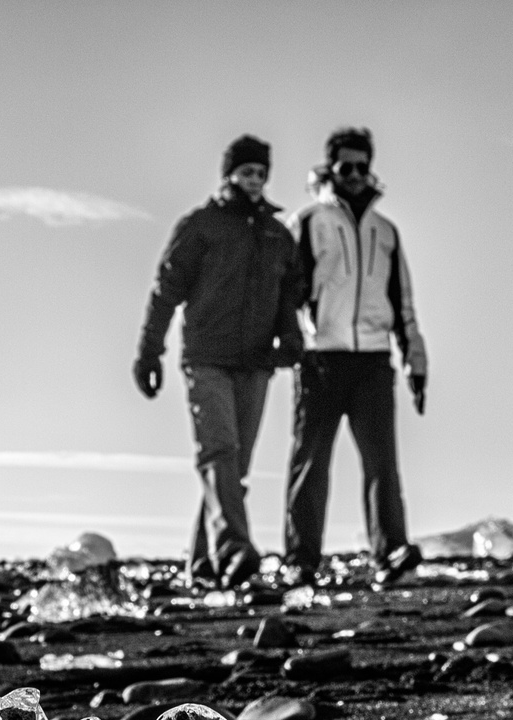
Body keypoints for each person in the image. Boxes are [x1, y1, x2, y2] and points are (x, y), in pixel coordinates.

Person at [135, 134, 303, 588]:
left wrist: (290, 339)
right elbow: (166, 290)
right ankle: (235, 549)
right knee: (219, 452)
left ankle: (204, 565)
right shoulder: (200, 226)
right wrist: (150, 351)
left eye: (260, 173)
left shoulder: (277, 235)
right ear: (229, 174)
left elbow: (290, 295)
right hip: (207, 358)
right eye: (246, 171)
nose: (254, 180)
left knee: (234, 467)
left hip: (256, 363)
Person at [284, 126, 428, 586]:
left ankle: (389, 553)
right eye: (347, 167)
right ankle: (301, 562)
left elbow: (402, 302)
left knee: (382, 463)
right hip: (321, 359)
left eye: (363, 167)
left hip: (373, 361)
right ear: (332, 168)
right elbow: (288, 292)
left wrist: (416, 363)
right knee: (311, 462)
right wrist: (288, 342)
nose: (356, 175)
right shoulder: (308, 222)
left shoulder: (387, 232)